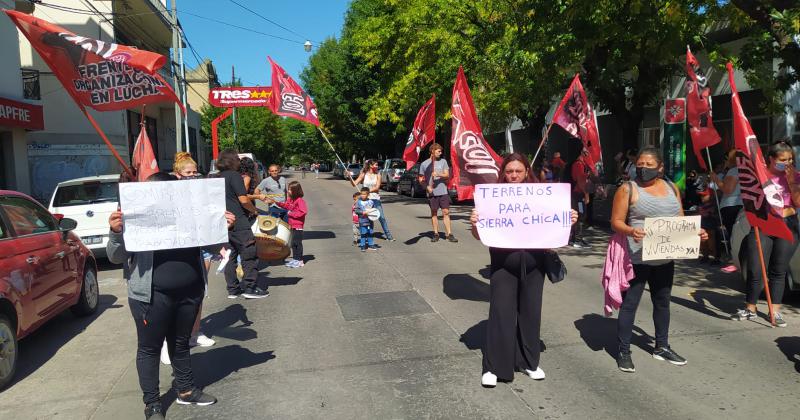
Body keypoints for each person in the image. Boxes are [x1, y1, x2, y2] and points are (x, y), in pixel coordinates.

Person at [108, 171, 233, 420]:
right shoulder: (132, 215)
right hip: (151, 297)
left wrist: (222, 226)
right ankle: (152, 403)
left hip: (189, 292)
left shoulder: (189, 212)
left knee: (181, 343)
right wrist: (115, 232)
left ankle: (185, 390)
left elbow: (210, 246)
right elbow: (115, 256)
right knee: (150, 349)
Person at [469, 153, 578, 387]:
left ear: (527, 170)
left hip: (534, 266)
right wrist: (475, 223)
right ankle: (494, 367)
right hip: (503, 267)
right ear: (503, 173)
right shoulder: (493, 196)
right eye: (509, 171)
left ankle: (529, 362)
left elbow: (555, 231)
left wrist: (568, 219)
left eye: (518, 171)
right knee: (501, 314)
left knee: (530, 313)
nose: (514, 176)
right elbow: (481, 236)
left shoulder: (542, 196)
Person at [610, 147, 708, 373]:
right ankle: (624, 351)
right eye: (640, 165)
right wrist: (630, 231)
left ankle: (662, 346)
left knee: (662, 302)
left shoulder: (672, 187)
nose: (642, 168)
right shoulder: (628, 189)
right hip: (637, 257)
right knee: (630, 304)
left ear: (660, 168)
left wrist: (696, 233)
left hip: (664, 256)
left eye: (648, 165)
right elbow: (616, 222)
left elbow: (680, 219)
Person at [730, 140, 800, 327]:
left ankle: (774, 311)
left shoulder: (795, 176)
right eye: (782, 159)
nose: (787, 163)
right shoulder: (760, 176)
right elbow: (751, 199)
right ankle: (750, 308)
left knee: (779, 270)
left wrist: (792, 181)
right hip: (762, 225)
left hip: (787, 225)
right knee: (755, 268)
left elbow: (798, 203)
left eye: (790, 159)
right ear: (771, 159)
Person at [173, 153, 215, 349]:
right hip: (178, 247)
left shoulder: (203, 190)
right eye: (188, 172)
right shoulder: (169, 192)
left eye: (194, 172)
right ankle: (175, 337)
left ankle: (195, 333)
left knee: (198, 292)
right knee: (178, 295)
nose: (192, 175)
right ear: (177, 174)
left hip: (202, 247)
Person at [217, 149, 268, 299]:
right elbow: (244, 199)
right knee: (249, 254)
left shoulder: (215, 176)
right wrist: (254, 211)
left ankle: (233, 289)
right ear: (232, 160)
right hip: (239, 222)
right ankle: (250, 287)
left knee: (229, 256)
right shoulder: (234, 176)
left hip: (223, 222)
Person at [709, 149, 743, 272]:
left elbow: (727, 189)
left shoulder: (734, 171)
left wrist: (716, 178)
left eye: (727, 158)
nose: (726, 160)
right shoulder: (744, 170)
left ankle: (734, 261)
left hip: (731, 206)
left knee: (733, 235)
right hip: (739, 205)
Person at [421, 143, 457, 242]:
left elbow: (447, 175)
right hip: (432, 193)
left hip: (443, 191)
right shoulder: (424, 164)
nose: (440, 153)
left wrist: (438, 174)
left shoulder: (443, 161)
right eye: (438, 151)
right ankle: (436, 233)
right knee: (434, 213)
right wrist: (427, 187)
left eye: (441, 151)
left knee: (446, 212)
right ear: (432, 151)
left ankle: (449, 234)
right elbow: (421, 179)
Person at [266, 181, 308, 268]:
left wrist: (291, 214)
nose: (288, 191)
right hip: (291, 225)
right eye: (288, 189)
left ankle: (300, 260)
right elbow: (287, 206)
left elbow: (303, 212)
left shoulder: (300, 201)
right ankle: (295, 259)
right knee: (293, 243)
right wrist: (276, 202)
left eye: (290, 190)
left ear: (296, 191)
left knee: (297, 243)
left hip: (298, 226)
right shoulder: (291, 199)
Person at [350, 159, 395, 241]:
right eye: (376, 165)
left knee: (381, 217)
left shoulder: (378, 175)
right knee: (368, 219)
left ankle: (388, 235)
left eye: (377, 165)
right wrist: (349, 177)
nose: (377, 166)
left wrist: (366, 191)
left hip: (375, 199)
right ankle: (367, 236)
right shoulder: (364, 174)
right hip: (366, 200)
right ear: (371, 165)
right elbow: (354, 184)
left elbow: (377, 188)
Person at [569, 149, 592, 249]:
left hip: (579, 194)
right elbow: (580, 181)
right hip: (578, 195)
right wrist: (586, 194)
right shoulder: (579, 164)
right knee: (580, 215)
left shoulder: (582, 164)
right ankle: (575, 239)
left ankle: (577, 237)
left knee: (581, 215)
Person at [355, 187, 379, 251]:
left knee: (370, 232)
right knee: (363, 233)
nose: (362, 195)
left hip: (370, 221)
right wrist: (362, 212)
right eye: (362, 194)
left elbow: (374, 210)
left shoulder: (371, 202)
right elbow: (356, 210)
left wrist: (374, 213)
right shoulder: (358, 202)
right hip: (362, 221)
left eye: (364, 194)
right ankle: (362, 245)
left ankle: (370, 244)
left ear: (368, 194)